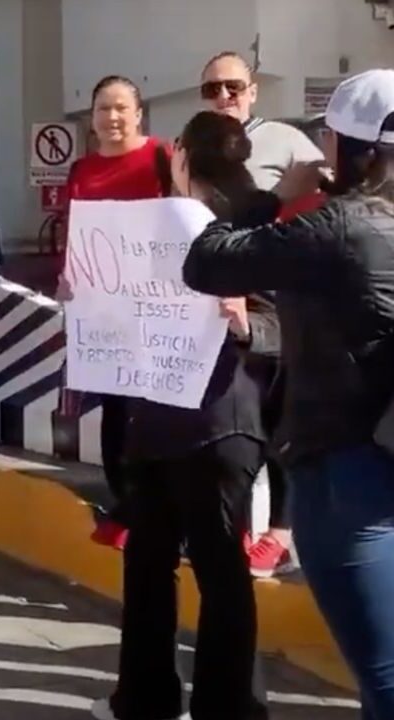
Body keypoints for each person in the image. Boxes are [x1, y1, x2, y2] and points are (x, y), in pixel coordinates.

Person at [183, 68, 394, 718]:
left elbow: (207, 260)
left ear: (342, 146)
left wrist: (274, 197)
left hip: (352, 474)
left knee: (384, 677)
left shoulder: (338, 225)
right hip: (361, 454)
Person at [90, 111, 279, 720]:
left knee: (220, 571)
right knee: (149, 565)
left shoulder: (261, 223)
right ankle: (145, 698)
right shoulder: (157, 223)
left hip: (220, 422)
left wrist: (251, 322)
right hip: (158, 415)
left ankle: (230, 707)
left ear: (182, 157)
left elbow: (294, 320)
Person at [201, 50, 327, 578]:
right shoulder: (194, 142)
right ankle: (234, 528)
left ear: (253, 90)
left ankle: (279, 533)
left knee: (277, 421)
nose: (224, 96)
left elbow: (331, 190)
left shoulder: (286, 140)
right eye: (212, 89)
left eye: (233, 86)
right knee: (226, 425)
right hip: (211, 298)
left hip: (271, 301)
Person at [59, 76, 172, 551]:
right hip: (102, 310)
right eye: (103, 108)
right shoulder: (82, 168)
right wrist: (65, 278)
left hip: (156, 307)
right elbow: (73, 232)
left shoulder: (163, 157)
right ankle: (123, 503)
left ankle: (153, 506)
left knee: (150, 409)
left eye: (121, 108)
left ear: (139, 113)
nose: (112, 118)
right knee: (113, 407)